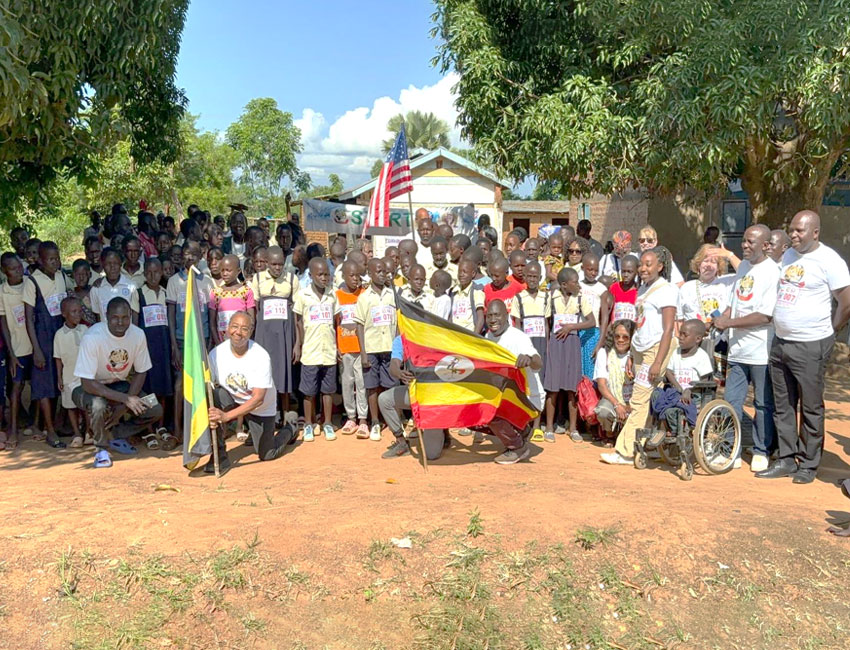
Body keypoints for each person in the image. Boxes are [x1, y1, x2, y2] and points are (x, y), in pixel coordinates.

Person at [758, 210, 850, 483]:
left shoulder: (829, 260)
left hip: (811, 345)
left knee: (810, 407)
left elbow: (845, 302)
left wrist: (830, 331)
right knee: (783, 405)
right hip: (781, 342)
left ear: (815, 232)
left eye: (799, 231)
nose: (793, 235)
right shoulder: (788, 256)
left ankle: (808, 465)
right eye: (792, 230)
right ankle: (786, 459)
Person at [602, 248, 678, 465]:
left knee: (639, 399)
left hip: (656, 349)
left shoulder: (667, 290)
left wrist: (657, 361)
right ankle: (643, 444)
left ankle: (624, 451)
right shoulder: (643, 288)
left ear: (660, 267)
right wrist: (631, 355)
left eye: (648, 264)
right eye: (641, 265)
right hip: (639, 349)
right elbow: (640, 323)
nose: (642, 269)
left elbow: (668, 329)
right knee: (644, 400)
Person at [713, 224, 779, 473]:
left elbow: (764, 316)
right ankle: (732, 449)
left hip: (761, 351)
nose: (745, 245)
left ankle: (761, 451)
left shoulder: (772, 271)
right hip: (737, 350)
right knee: (732, 401)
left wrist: (728, 322)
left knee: (762, 404)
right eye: (744, 241)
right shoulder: (742, 267)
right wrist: (721, 321)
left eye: (751, 242)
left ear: (765, 245)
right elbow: (734, 303)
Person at [73, 297, 163, 468]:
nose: (120, 322)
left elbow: (141, 371)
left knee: (155, 409)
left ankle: (114, 435)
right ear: (106, 316)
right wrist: (125, 400)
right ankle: (101, 449)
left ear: (130, 316)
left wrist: (125, 404)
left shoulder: (138, 334)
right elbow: (86, 383)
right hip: (88, 388)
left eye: (125, 317)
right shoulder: (93, 337)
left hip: (119, 385)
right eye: (115, 317)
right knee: (98, 406)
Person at [207, 312, 293, 474]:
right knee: (216, 396)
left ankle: (290, 428)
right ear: (227, 328)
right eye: (234, 326)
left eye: (244, 329)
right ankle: (219, 455)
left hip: (260, 409)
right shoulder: (215, 354)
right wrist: (213, 416)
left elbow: (258, 399)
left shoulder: (260, 356)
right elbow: (210, 391)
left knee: (267, 454)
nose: (238, 332)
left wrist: (226, 417)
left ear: (251, 331)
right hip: (234, 402)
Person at [484, 300, 544, 464]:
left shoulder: (518, 337)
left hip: (528, 398)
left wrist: (529, 359)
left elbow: (539, 362)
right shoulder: (487, 338)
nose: (492, 319)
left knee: (488, 411)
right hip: (507, 395)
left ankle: (517, 447)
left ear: (506, 316)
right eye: (489, 315)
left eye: (497, 315)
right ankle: (521, 431)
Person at [24, 241, 71, 448]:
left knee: (60, 382)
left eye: (58, 258)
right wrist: (37, 350)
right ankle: (50, 431)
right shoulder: (32, 282)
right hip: (43, 338)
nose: (56, 262)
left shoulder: (61, 276)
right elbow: (28, 318)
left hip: (60, 336)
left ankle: (57, 424)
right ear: (41, 261)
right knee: (44, 385)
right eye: (51, 259)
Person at [545, 267, 595, 442]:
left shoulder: (581, 299)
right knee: (552, 387)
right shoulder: (551, 297)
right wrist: (547, 345)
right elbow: (547, 322)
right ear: (564, 284)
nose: (578, 285)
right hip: (556, 343)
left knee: (571, 388)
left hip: (572, 343)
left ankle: (573, 428)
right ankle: (549, 427)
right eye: (575, 282)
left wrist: (571, 327)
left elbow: (591, 321)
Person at [250, 246, 300, 420]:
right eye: (273, 264)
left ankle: (285, 414)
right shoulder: (257, 279)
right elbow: (254, 309)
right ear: (266, 263)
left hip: (285, 333)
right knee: (265, 373)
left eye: (280, 264)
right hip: (265, 333)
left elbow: (297, 312)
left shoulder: (292, 279)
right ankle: (268, 414)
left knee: (283, 373)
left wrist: (296, 342)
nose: (277, 268)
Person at [379, 334, 448, 459]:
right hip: (414, 392)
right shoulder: (400, 340)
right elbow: (393, 365)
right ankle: (401, 443)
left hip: (434, 398)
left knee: (431, 455)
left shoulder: (434, 335)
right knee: (384, 399)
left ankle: (443, 429)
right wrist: (400, 373)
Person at [294, 258, 338, 442]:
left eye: (327, 274)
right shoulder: (303, 296)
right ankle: (310, 424)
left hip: (329, 349)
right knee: (309, 391)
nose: (324, 278)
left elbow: (337, 322)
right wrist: (299, 344)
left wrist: (338, 347)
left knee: (327, 390)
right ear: (311, 275)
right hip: (310, 350)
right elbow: (298, 322)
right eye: (320, 274)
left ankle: (327, 423)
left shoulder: (333, 295)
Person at [648, 320, 713, 442]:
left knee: (672, 411)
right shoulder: (676, 352)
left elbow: (705, 380)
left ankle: (673, 432)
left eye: (685, 335)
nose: (680, 337)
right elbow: (668, 372)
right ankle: (661, 429)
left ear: (698, 339)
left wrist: (689, 390)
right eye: (680, 334)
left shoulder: (701, 356)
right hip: (676, 392)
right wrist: (679, 388)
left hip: (694, 396)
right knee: (656, 394)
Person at [355, 258, 398, 441]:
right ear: (370, 274)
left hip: (389, 347)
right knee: (372, 387)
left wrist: (397, 347)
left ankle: (393, 419)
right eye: (378, 272)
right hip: (372, 348)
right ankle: (374, 422)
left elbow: (397, 322)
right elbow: (359, 326)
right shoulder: (364, 298)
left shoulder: (392, 294)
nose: (383, 275)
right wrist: (363, 353)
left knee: (390, 385)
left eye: (384, 272)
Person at [135, 257, 175, 449]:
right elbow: (135, 324)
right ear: (144, 274)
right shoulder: (139, 293)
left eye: (156, 272)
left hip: (163, 347)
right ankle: (148, 429)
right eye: (149, 273)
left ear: (162, 273)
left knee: (163, 389)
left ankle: (160, 427)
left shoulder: (166, 293)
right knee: (148, 389)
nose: (153, 276)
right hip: (146, 348)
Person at [510, 261, 549, 442]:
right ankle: (523, 422)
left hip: (541, 344)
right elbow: (517, 325)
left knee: (539, 384)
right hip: (526, 345)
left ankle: (537, 425)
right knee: (525, 384)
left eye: (536, 276)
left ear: (540, 278)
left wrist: (547, 347)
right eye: (529, 276)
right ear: (524, 278)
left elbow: (547, 324)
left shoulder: (546, 297)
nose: (532, 280)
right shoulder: (518, 298)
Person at [0, 253, 32, 450]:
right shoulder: (2, 292)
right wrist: (11, 354)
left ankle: (36, 425)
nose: (18, 270)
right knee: (16, 387)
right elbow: (3, 324)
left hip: (34, 345)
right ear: (5, 271)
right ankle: (12, 428)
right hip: (18, 347)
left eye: (19, 266)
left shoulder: (30, 283)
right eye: (12, 268)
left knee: (39, 386)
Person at [335, 260, 369, 437]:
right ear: (343, 276)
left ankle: (363, 418)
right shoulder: (337, 296)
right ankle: (351, 417)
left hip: (361, 348)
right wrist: (336, 347)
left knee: (362, 382)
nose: (356, 279)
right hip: (345, 347)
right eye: (352, 275)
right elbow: (335, 324)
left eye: (358, 276)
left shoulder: (364, 294)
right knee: (347, 383)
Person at [53, 297, 89, 448]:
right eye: (73, 312)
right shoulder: (59, 335)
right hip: (68, 376)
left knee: (86, 405)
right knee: (70, 406)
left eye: (80, 311)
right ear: (64, 314)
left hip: (85, 376)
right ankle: (77, 433)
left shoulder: (85, 330)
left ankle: (88, 432)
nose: (78, 314)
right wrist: (59, 378)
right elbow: (58, 358)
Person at [593, 320, 636, 446]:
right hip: (612, 398)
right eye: (617, 336)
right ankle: (610, 435)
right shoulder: (604, 353)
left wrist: (630, 404)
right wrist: (617, 404)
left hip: (633, 399)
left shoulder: (636, 356)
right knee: (603, 411)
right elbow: (602, 385)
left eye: (625, 337)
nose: (620, 340)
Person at [209, 254, 256, 345]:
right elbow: (212, 323)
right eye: (222, 270)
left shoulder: (246, 291)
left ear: (238, 271)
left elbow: (251, 321)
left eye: (228, 270)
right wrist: (218, 343)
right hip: (222, 341)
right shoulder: (216, 293)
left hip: (241, 340)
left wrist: (245, 340)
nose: (224, 273)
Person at [578, 253, 610, 378]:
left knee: (591, 369)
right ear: (582, 268)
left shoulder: (601, 289)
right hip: (579, 331)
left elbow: (604, 317)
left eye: (596, 270)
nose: (593, 273)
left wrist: (600, 342)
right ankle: (579, 397)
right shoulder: (577, 286)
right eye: (590, 269)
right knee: (579, 368)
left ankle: (591, 397)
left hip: (594, 333)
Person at [90, 248, 139, 321]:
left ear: (120, 264)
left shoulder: (131, 286)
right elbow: (98, 317)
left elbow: (135, 314)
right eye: (108, 264)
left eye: (115, 263)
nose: (112, 268)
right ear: (103, 265)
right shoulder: (96, 289)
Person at [448, 259, 485, 333]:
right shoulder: (454, 291)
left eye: (465, 272)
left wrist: (474, 337)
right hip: (455, 334)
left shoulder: (476, 291)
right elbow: (451, 316)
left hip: (468, 334)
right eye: (459, 272)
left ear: (473, 274)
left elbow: (480, 318)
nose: (461, 275)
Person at [607, 255, 639, 323]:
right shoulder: (614, 288)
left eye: (629, 272)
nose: (626, 275)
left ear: (636, 272)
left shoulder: (639, 291)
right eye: (623, 271)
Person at [71, 260, 96, 326]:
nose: (81, 278)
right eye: (78, 275)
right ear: (73, 275)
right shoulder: (70, 295)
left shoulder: (95, 292)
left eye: (84, 274)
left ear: (90, 275)